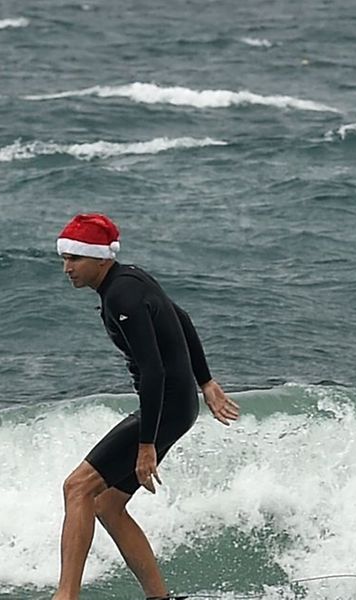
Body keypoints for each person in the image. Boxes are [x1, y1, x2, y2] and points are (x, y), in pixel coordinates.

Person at [52, 213, 239, 600]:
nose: (66, 268)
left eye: (75, 258)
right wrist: (205, 381)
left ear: (100, 259)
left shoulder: (121, 295)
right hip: (176, 404)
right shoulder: (131, 279)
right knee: (107, 504)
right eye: (65, 258)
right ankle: (159, 598)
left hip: (167, 405)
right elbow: (182, 318)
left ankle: (66, 596)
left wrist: (145, 444)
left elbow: (152, 371)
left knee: (77, 488)